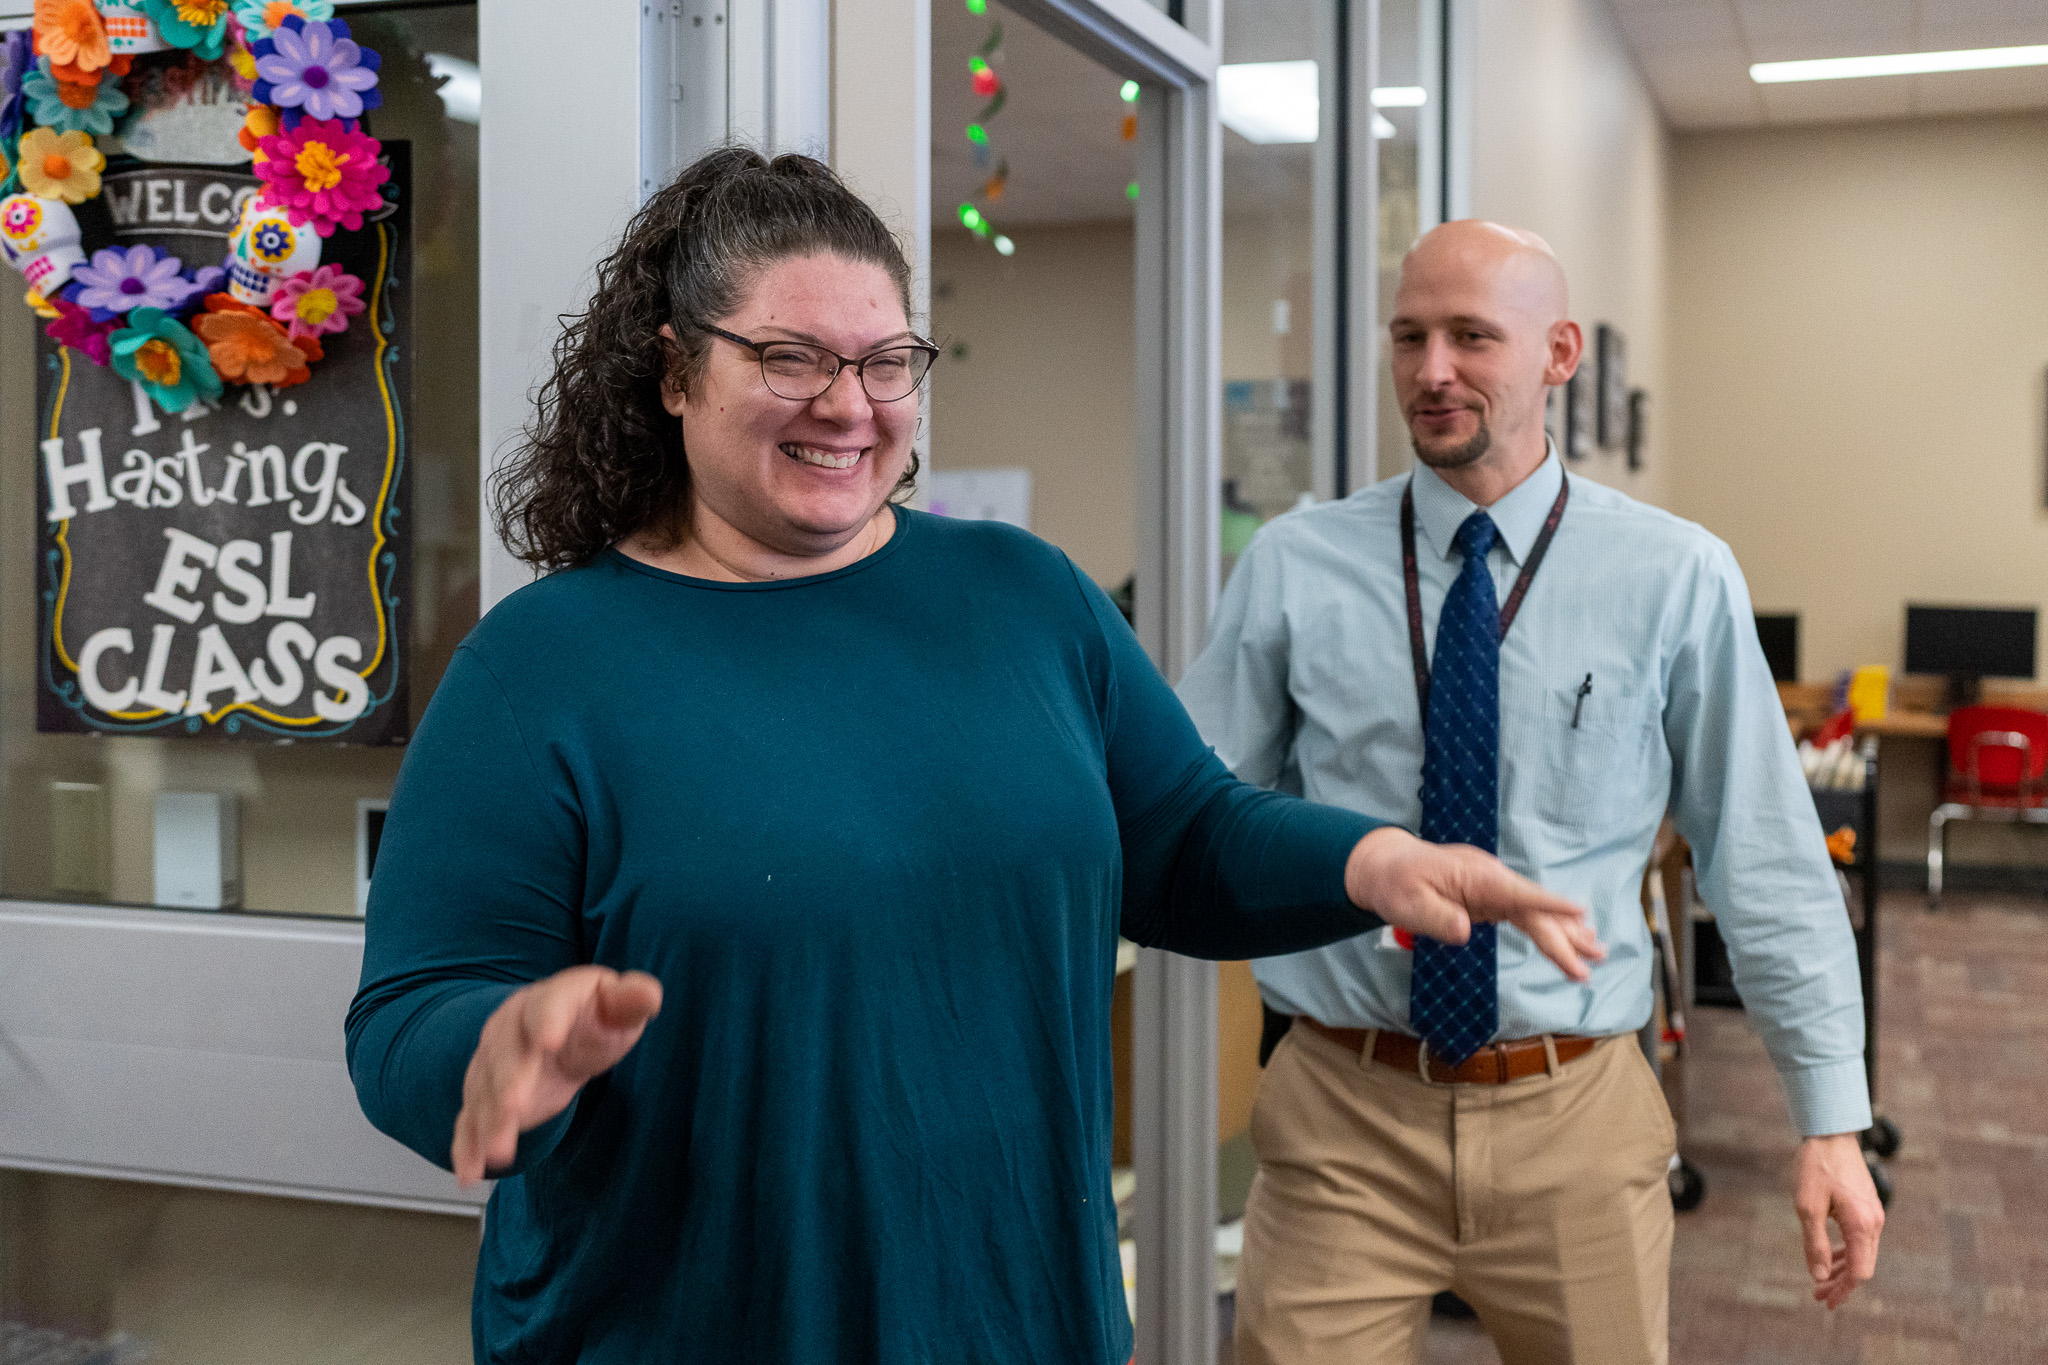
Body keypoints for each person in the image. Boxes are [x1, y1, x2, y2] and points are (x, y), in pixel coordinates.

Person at [344, 153, 1601, 1365]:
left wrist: (1371, 861)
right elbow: (408, 1016)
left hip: (1021, 1313)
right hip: (686, 1323)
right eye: (790, 358)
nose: (849, 404)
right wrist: (497, 1041)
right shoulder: (542, 667)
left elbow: (1179, 838)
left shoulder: (1021, 595)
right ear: (673, 372)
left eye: (887, 362)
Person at [1178, 220, 1885, 1365]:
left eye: (1469, 336)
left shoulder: (1671, 574)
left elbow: (1759, 856)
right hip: (1342, 1109)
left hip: (1573, 1112)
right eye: (1408, 337)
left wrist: (1829, 1121)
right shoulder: (1295, 564)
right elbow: (1197, 812)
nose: (1431, 369)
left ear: (1557, 354)